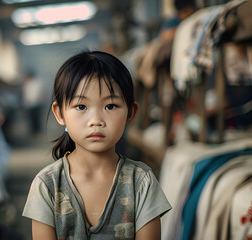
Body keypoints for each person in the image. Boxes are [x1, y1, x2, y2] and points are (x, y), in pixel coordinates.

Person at [22, 51, 171, 239]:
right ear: (59, 113)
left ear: (131, 113)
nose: (96, 120)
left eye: (110, 106)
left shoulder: (141, 183)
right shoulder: (47, 185)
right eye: (81, 107)